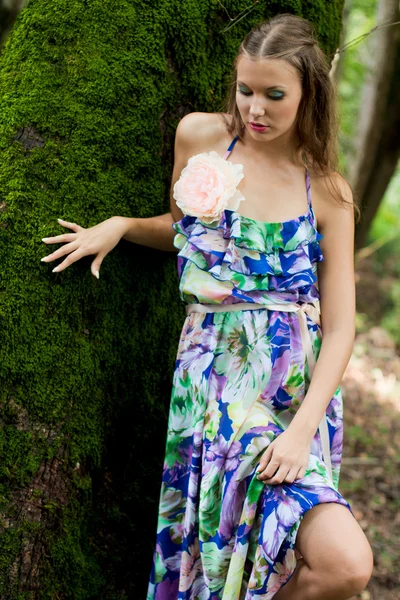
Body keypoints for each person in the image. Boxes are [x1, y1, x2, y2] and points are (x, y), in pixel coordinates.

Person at [41, 13, 374, 600]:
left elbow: (343, 326)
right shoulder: (201, 137)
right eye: (246, 90)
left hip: (295, 399)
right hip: (214, 387)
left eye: (275, 95)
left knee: (344, 565)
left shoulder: (326, 189)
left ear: (310, 96)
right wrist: (121, 226)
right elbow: (186, 231)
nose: (256, 109)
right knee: (221, 557)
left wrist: (299, 433)